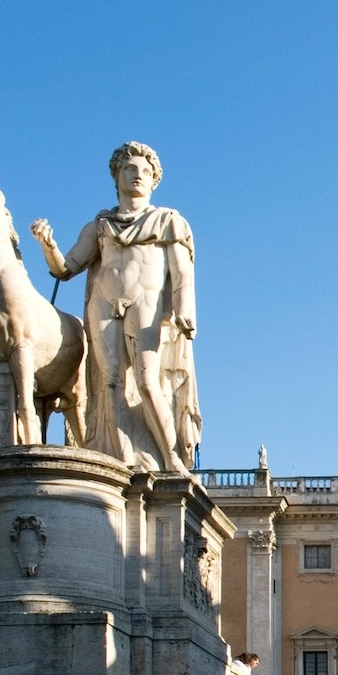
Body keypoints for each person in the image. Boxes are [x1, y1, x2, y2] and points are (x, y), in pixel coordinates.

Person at [32, 141, 200, 474]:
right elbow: (65, 268)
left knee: (148, 382)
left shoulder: (168, 221)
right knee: (108, 384)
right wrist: (47, 244)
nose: (138, 175)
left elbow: (182, 271)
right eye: (130, 169)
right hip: (104, 303)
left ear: (154, 180)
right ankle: (117, 459)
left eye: (145, 171)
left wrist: (184, 311)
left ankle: (170, 459)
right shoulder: (100, 225)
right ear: (116, 176)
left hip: (147, 304)